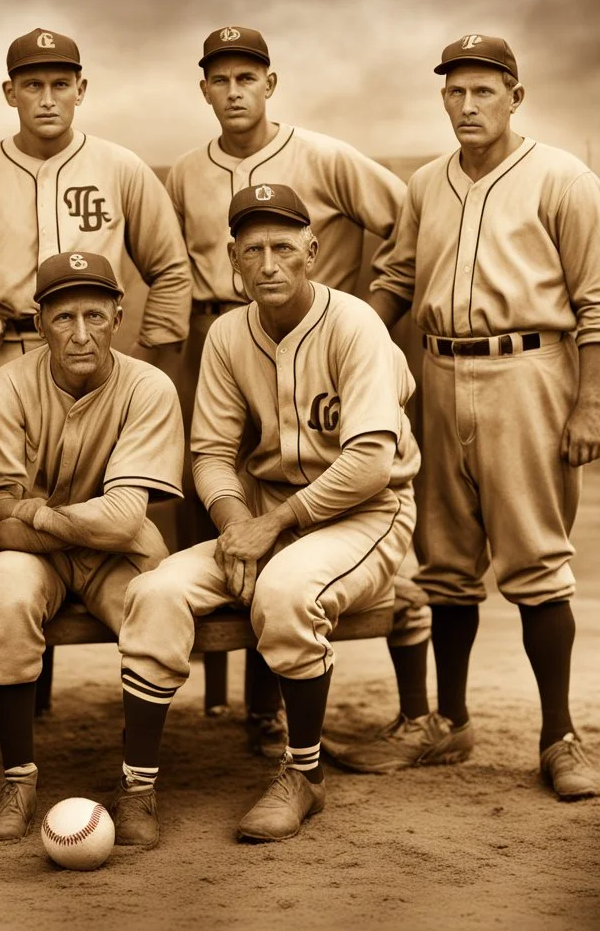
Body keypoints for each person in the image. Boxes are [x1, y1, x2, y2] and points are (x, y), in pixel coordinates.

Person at [325, 35, 600, 800]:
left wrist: (589, 402)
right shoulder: (426, 183)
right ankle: (446, 724)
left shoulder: (564, 177)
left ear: (515, 97)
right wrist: (347, 345)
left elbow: (597, 302)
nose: (466, 106)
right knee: (446, 563)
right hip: (440, 369)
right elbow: (395, 277)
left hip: (531, 369)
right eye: (454, 92)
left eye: (483, 91)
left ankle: (559, 736)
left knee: (535, 560)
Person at [110, 183, 419, 846]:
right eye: (254, 250)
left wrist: (269, 528)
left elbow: (369, 463)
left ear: (312, 252)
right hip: (266, 517)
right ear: (234, 260)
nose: (270, 263)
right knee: (154, 590)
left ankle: (302, 775)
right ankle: (136, 783)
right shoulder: (226, 333)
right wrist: (233, 526)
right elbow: (212, 455)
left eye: (285, 247)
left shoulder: (355, 323)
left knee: (284, 592)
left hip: (369, 515)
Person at [165, 25, 428, 754]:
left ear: (270, 83)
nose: (234, 89)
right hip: (226, 339)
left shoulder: (324, 155)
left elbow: (408, 217)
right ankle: (255, 709)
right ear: (204, 89)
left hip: (325, 343)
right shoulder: (187, 170)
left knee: (335, 507)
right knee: (237, 514)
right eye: (220, 78)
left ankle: (347, 703)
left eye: (247, 76)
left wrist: (377, 310)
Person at [0, 251, 184, 846]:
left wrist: (34, 511)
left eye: (95, 313)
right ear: (39, 323)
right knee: (6, 590)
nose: (81, 333)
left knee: (157, 600)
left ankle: (139, 787)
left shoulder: (148, 386)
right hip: (32, 558)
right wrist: (78, 521)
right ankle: (18, 781)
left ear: (119, 314)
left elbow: (122, 525)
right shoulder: (4, 387)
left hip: (112, 558)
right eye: (64, 317)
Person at [0, 27, 191, 390]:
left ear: (80, 90)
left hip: (93, 353)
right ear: (11, 93)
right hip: (4, 349)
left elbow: (171, 270)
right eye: (33, 86)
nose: (48, 100)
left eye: (60, 85)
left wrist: (143, 357)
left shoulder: (122, 167)